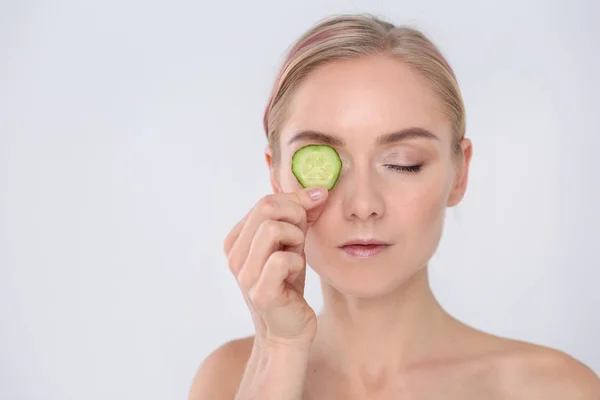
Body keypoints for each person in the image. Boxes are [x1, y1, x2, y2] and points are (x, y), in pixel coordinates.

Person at [189, 13, 600, 399]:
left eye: (404, 163)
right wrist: (278, 350)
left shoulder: (553, 389)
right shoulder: (229, 380)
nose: (363, 205)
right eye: (322, 164)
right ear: (277, 177)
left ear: (460, 174)